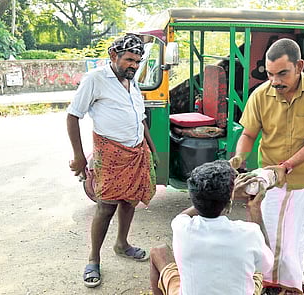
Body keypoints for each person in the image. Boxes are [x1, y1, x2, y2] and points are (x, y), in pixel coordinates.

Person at [229, 38, 304, 294]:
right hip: (270, 180)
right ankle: (268, 282)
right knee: (270, 234)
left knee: (294, 237)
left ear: (299, 66)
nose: (275, 81)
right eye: (269, 74)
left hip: (303, 179)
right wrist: (239, 157)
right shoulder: (260, 95)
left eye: (282, 74)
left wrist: (286, 166)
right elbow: (248, 134)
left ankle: (293, 281)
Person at [66, 33, 158, 288]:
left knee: (130, 200)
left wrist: (152, 149)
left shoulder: (132, 81)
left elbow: (139, 118)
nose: (134, 65)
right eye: (129, 60)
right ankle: (93, 259)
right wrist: (78, 156)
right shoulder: (96, 79)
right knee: (106, 206)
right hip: (110, 153)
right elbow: (73, 116)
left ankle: (122, 244)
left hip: (137, 152)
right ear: (113, 56)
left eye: (138, 61)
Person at [149, 160, 274, 295]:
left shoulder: (181, 227)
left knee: (159, 251)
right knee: (255, 265)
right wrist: (254, 208)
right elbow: (267, 266)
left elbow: (183, 216)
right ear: (228, 204)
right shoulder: (250, 233)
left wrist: (226, 197)